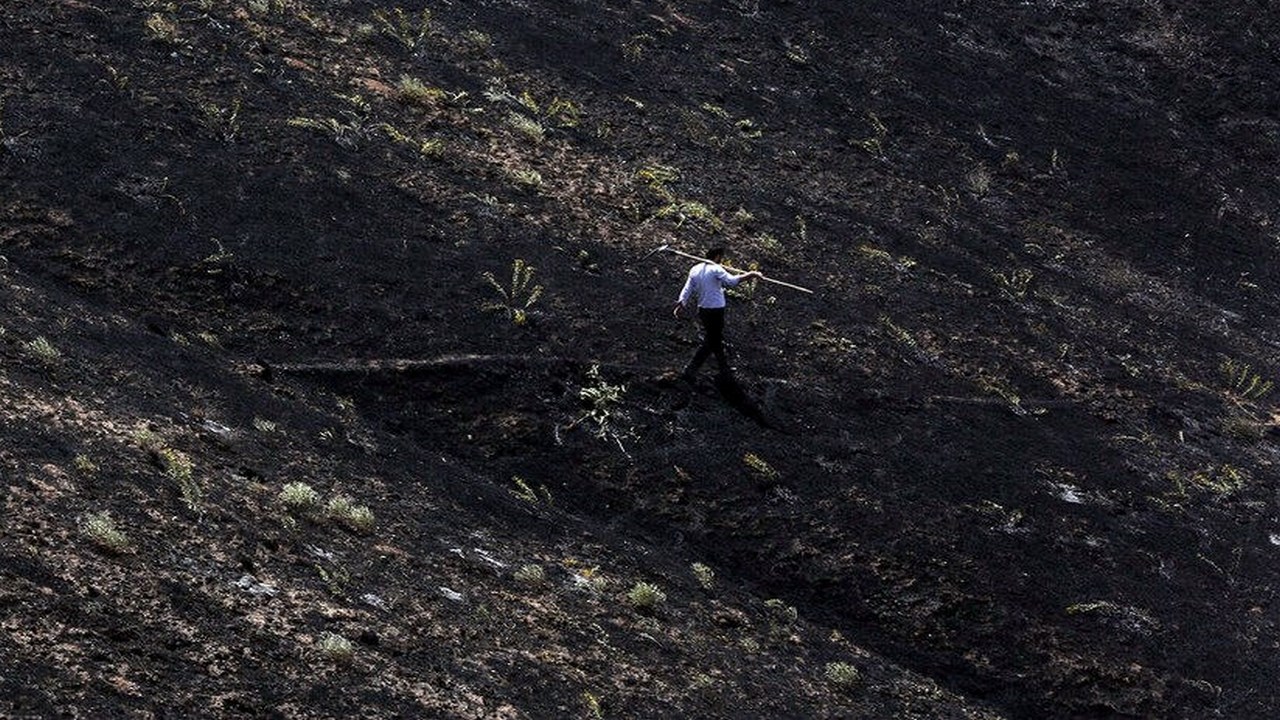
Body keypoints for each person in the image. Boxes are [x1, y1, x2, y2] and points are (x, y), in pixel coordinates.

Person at [672, 247, 762, 382]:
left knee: (715, 339)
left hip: (703, 309)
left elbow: (687, 288)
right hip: (716, 310)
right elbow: (732, 282)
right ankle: (690, 369)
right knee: (712, 340)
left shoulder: (695, 269)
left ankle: (724, 369)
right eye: (721, 257)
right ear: (718, 256)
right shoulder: (716, 269)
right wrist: (751, 274)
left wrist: (681, 303)